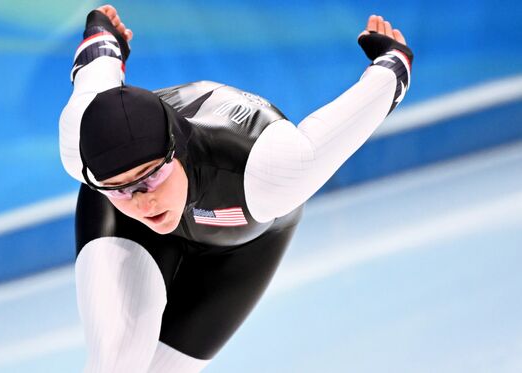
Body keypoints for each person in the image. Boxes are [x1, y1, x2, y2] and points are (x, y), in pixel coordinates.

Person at [59, 4, 413, 372]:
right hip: (134, 231)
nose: (142, 201)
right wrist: (104, 34)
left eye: (150, 176)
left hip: (243, 242)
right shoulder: (80, 148)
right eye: (119, 189)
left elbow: (360, 110)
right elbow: (95, 73)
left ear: (176, 150)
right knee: (116, 361)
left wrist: (393, 59)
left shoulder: (272, 172)